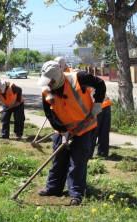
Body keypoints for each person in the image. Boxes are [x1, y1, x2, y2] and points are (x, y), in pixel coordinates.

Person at [37, 60, 106, 205]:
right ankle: (53, 187)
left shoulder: (79, 78)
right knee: (58, 159)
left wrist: (98, 103)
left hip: (84, 127)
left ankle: (75, 193)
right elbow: (50, 115)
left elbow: (100, 84)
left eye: (50, 81)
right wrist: (62, 131)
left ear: (57, 77)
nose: (48, 84)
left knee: (78, 161)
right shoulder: (46, 91)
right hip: (62, 129)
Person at [89, 90, 112, 159]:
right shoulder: (91, 81)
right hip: (106, 105)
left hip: (96, 106)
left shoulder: (79, 83)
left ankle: (88, 154)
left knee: (92, 131)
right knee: (104, 131)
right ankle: (103, 153)